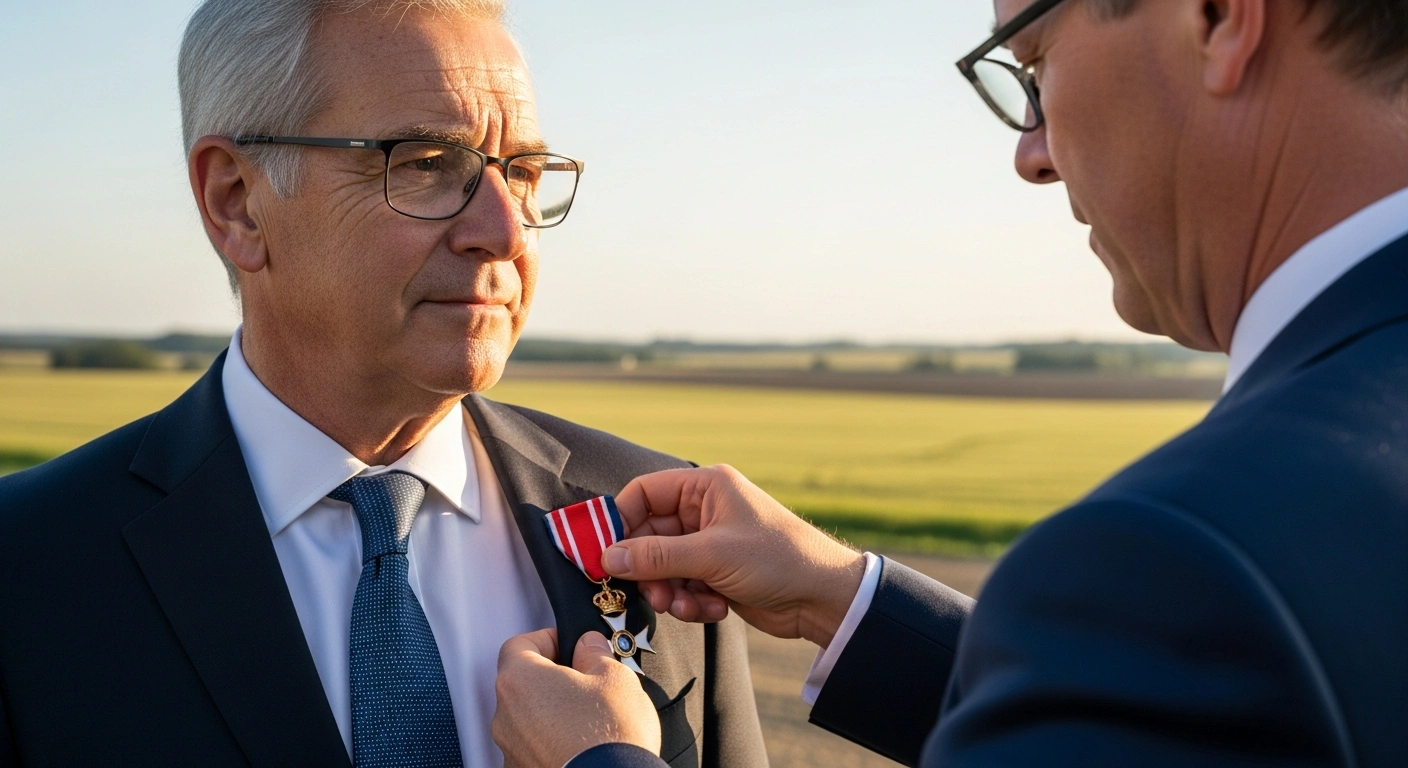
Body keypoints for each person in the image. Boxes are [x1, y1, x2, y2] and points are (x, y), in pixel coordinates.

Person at [492, 0, 1408, 766]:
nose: (1032, 154)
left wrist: (602, 761)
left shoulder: (1178, 559)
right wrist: (837, 597)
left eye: (1037, 65)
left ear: (1217, 16)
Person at [0, 2, 767, 767]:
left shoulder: (662, 526)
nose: (504, 231)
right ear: (236, 201)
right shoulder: (29, 563)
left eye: (524, 173)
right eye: (427, 164)